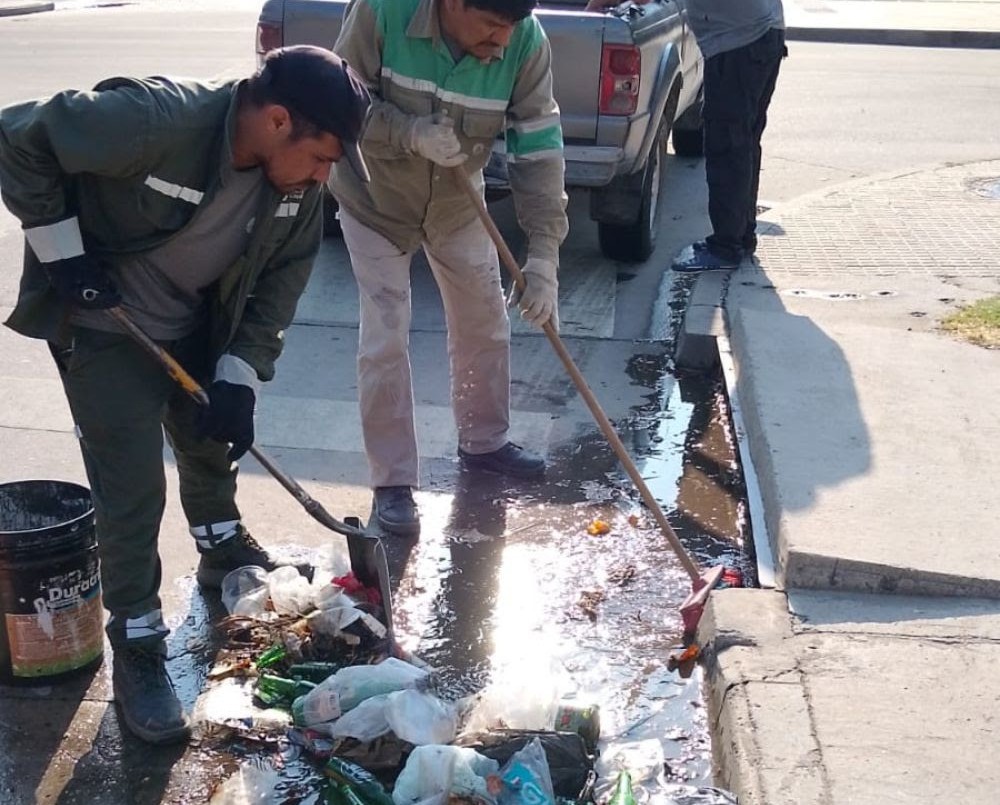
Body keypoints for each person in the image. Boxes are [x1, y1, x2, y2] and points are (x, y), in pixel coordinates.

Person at [0, 46, 371, 744]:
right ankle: (139, 641)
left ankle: (221, 542)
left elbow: (282, 282)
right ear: (277, 120)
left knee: (212, 436)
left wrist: (237, 372)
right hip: (106, 323)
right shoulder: (155, 120)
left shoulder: (298, 186)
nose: (325, 176)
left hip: (199, 318)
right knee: (132, 482)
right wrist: (64, 253)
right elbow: (18, 136)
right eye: (322, 156)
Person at [329, 0, 569, 537]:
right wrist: (407, 131)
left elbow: (539, 147)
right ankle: (392, 483)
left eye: (510, 30)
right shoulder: (383, 13)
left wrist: (544, 253)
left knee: (484, 322)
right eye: (491, 27)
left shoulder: (526, 40)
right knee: (386, 335)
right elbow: (339, 102)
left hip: (460, 206)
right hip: (375, 202)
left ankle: (485, 444)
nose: (501, 43)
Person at [671, 0, 786, 271]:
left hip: (738, 42)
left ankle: (726, 247)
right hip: (762, 32)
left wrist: (593, 9)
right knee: (743, 142)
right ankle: (741, 236)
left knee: (727, 145)